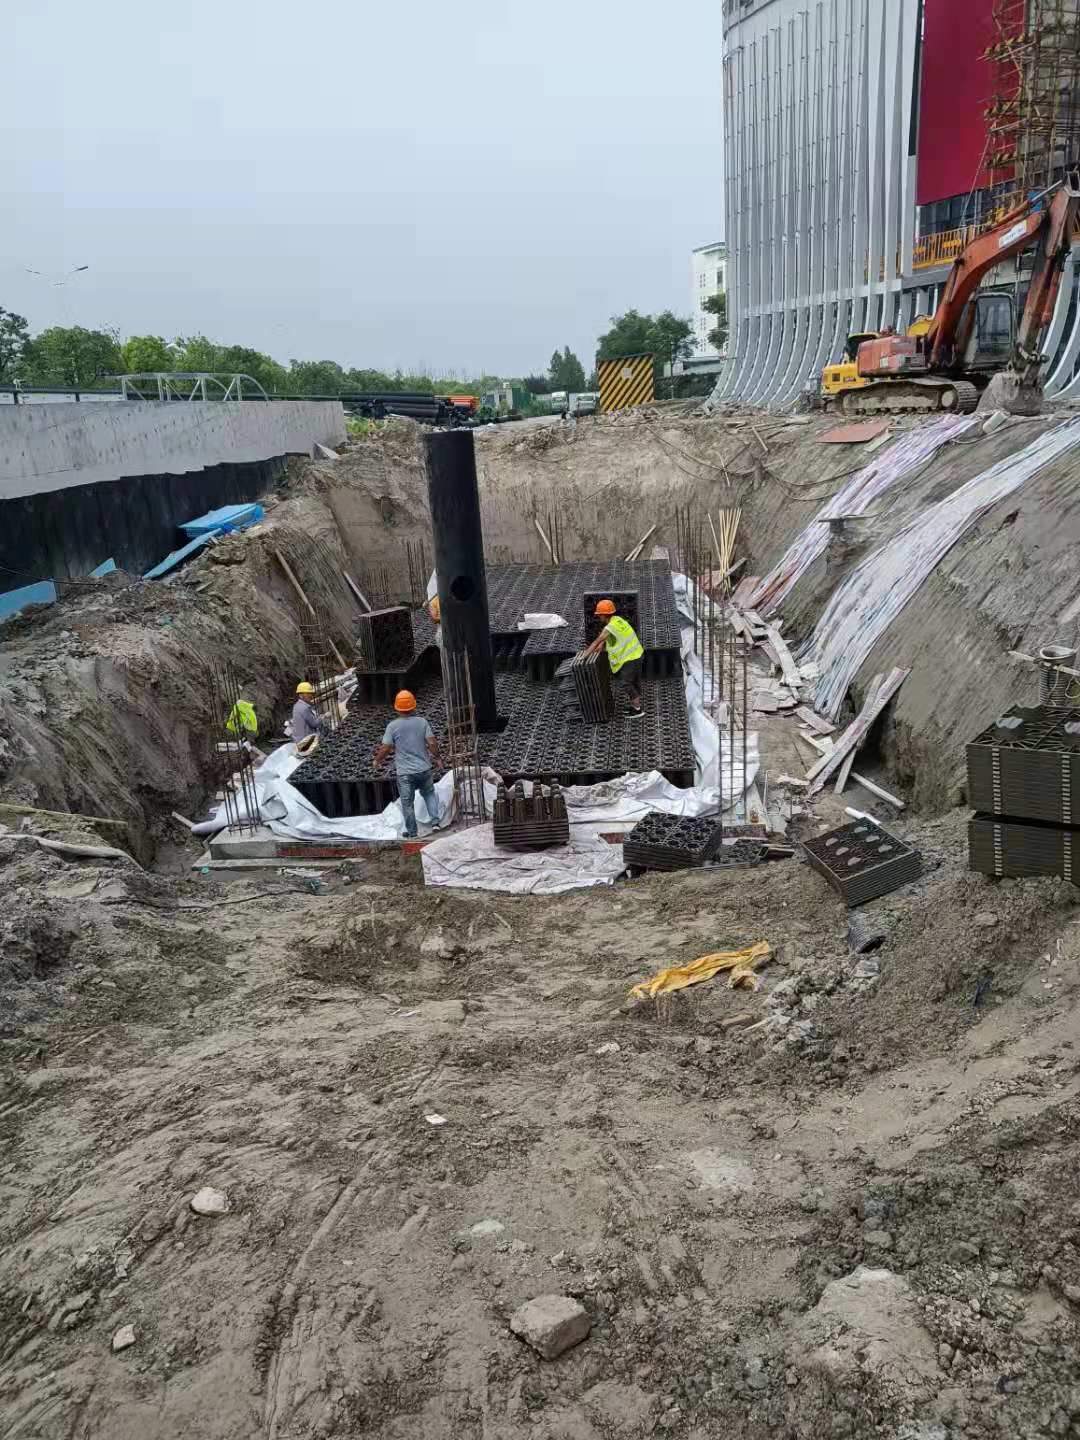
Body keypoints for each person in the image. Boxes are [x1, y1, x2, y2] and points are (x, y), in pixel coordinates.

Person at [372, 690, 442, 839]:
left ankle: (412, 833)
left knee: (407, 803)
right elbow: (432, 742)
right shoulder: (422, 722)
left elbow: (386, 747)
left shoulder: (392, 726)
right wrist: (437, 758)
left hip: (405, 773)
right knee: (429, 794)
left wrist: (377, 760)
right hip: (424, 768)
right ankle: (436, 823)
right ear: (413, 706)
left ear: (397, 708)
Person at [586, 598, 645, 716]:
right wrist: (603, 644)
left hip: (630, 658)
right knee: (633, 681)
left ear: (604, 615)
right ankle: (635, 704)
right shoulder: (618, 620)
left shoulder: (610, 627)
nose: (598, 617)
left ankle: (638, 710)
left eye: (599, 615)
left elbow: (597, 640)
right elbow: (608, 636)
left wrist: (585, 655)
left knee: (625, 683)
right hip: (638, 654)